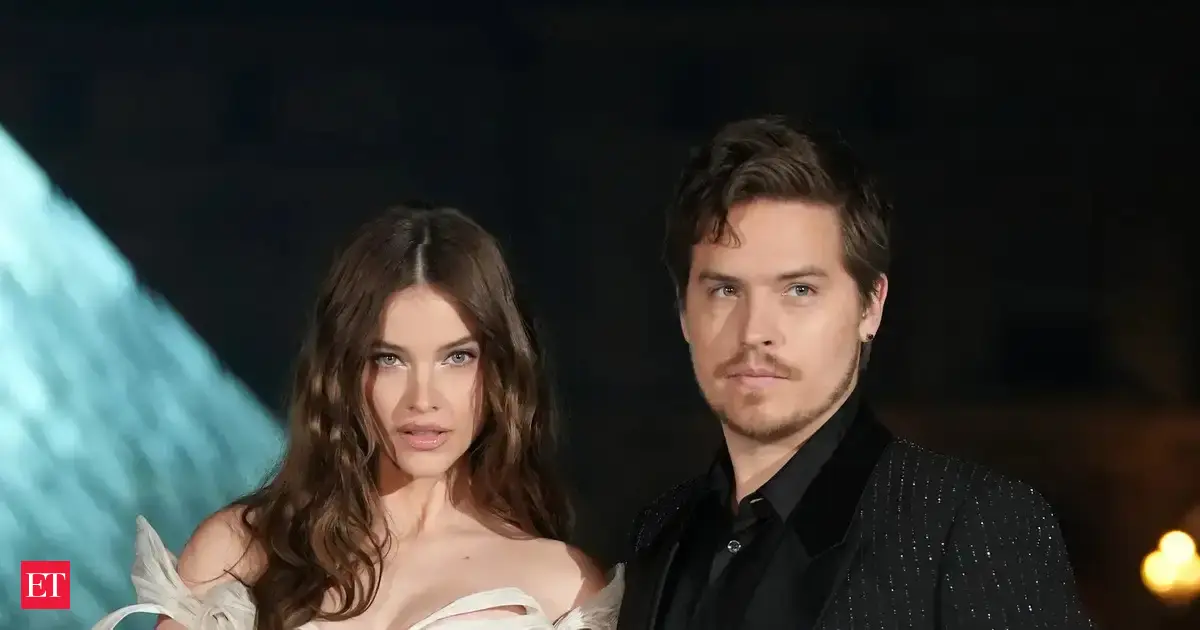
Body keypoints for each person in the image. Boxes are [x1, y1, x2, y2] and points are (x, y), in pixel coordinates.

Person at [617, 117, 1095, 630]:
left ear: (871, 306)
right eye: (725, 290)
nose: (754, 331)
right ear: (683, 311)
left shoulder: (972, 524)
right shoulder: (659, 534)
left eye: (799, 290)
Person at [94, 205, 623, 630]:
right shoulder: (239, 551)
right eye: (389, 359)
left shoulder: (562, 587)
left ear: (499, 370)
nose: (423, 398)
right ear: (344, 372)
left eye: (457, 358)